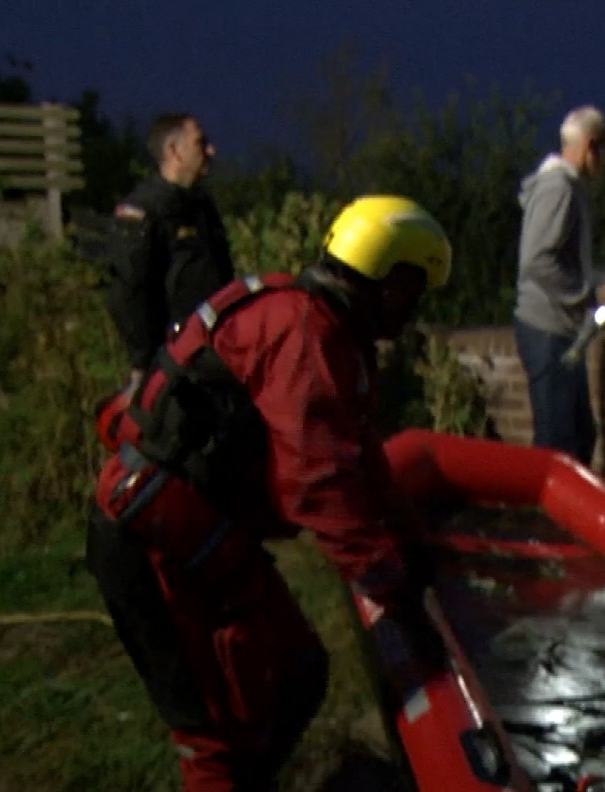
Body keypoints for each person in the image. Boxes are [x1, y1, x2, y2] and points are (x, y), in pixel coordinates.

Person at [87, 195, 450, 791]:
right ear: (391, 280)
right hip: (158, 536)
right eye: (414, 291)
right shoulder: (306, 333)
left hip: (194, 528)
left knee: (298, 674)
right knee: (215, 736)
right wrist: (391, 586)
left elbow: (355, 456)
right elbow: (319, 484)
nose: (412, 312)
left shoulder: (316, 326)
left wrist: (409, 541)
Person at [514, 105, 605, 465]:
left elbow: (567, 263)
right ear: (591, 145)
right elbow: (538, 261)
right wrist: (591, 295)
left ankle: (559, 519)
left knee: (577, 435)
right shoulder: (558, 189)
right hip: (547, 330)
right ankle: (546, 522)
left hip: (561, 330)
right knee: (558, 443)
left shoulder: (567, 188)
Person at [107, 112, 235, 400]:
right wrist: (143, 363)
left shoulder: (202, 208)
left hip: (213, 356)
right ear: (173, 151)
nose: (210, 151)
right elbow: (128, 292)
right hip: (170, 365)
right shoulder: (144, 212)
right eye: (200, 143)